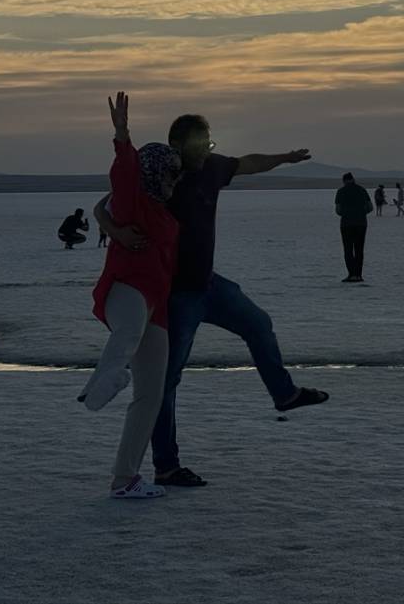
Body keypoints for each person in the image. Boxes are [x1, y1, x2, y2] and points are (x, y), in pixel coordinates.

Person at [94, 110, 329, 488]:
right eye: (200, 145)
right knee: (166, 382)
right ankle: (166, 466)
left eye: (209, 144)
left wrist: (284, 157)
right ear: (178, 146)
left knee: (258, 323)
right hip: (174, 296)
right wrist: (116, 232)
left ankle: (284, 394)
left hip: (208, 285)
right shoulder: (156, 178)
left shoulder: (212, 169)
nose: (206, 151)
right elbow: (104, 205)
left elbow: (248, 162)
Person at [79, 91, 182, 499]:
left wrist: (106, 221)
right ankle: (103, 382)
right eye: (169, 173)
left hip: (158, 303)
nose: (175, 180)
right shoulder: (132, 201)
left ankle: (125, 479)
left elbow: (100, 207)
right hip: (126, 289)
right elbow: (122, 177)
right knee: (128, 332)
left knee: (152, 392)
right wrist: (122, 136)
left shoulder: (165, 211)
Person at [335, 172, 373, 282]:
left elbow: (338, 210)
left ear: (344, 181)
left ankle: (351, 274)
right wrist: (361, 213)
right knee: (359, 250)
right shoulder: (362, 190)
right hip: (361, 223)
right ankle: (358, 275)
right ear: (353, 179)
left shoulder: (341, 191)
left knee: (348, 250)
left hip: (346, 224)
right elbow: (370, 207)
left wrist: (347, 214)